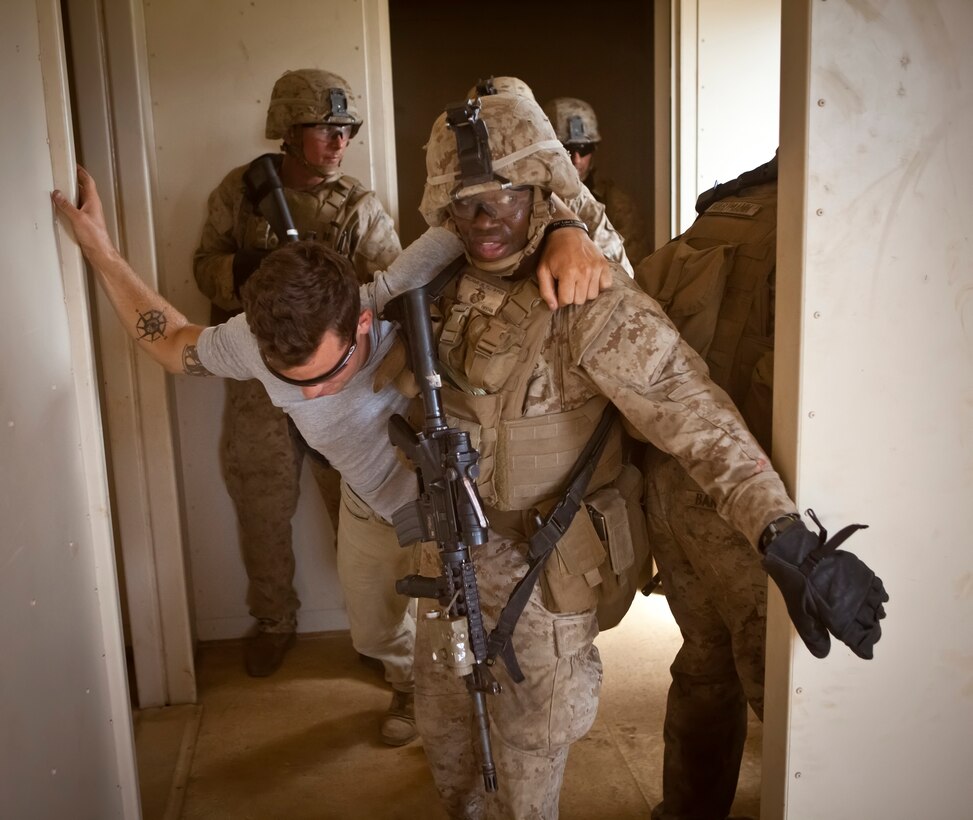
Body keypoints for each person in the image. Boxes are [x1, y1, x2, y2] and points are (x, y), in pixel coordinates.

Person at [398, 93, 887, 818]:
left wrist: (784, 534)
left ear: (538, 187)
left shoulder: (588, 296)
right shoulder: (431, 284)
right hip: (446, 564)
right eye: (465, 202)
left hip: (540, 571)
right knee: (449, 751)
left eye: (504, 195)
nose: (485, 219)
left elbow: (690, 410)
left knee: (525, 773)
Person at [52, 166, 610, 751]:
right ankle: (404, 684)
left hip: (457, 503)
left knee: (475, 639)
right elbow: (168, 344)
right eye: (292, 380)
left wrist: (568, 229)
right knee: (372, 632)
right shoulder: (250, 338)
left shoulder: (393, 290)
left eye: (330, 373)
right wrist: (101, 251)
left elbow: (498, 208)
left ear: (362, 322)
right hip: (369, 507)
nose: (313, 394)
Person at [193, 68, 402, 683]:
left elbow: (392, 293)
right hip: (260, 381)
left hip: (338, 382)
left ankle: (378, 636)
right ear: (288, 131)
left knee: (363, 508)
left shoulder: (360, 208)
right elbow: (204, 267)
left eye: (347, 129)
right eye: (324, 128)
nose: (339, 141)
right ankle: (275, 621)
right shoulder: (242, 192)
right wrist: (245, 267)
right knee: (261, 500)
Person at [635, 154, 783, 819]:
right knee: (779, 687)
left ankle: (686, 810)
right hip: (743, 490)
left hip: (670, 476)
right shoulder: (810, 228)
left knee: (703, 657)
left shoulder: (718, 213)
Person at [471, 77, 634, 275]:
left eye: (512, 128)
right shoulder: (456, 197)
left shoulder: (571, 197)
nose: (502, 144)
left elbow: (619, 276)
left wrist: (565, 224)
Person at [543, 96, 652, 267]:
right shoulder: (527, 197)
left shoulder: (617, 204)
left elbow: (634, 274)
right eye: (567, 149)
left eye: (584, 149)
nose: (577, 160)